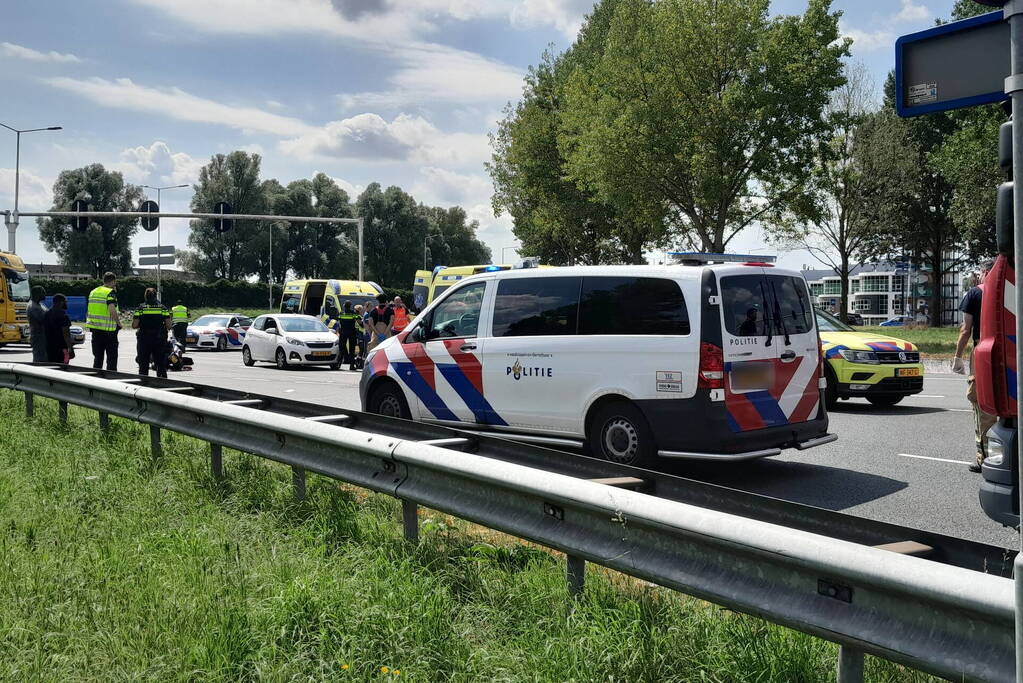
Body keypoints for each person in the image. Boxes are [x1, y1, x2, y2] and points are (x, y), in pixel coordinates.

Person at [952, 260, 998, 473]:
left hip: (983, 352)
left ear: (986, 272)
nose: (979, 276)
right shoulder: (1011, 291)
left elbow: (965, 329)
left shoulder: (975, 293)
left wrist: (958, 357)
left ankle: (985, 457)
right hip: (1010, 351)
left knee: (981, 403)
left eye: (980, 272)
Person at [132, 287, 172, 378]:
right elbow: (169, 325)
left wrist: (142, 324)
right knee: (160, 363)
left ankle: (143, 382)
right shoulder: (163, 308)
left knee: (143, 364)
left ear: (145, 296)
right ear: (155, 296)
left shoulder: (140, 308)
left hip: (144, 339)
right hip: (159, 339)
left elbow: (134, 325)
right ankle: (162, 381)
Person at [86, 272, 120, 371]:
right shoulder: (110, 292)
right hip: (109, 331)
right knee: (111, 359)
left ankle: (96, 377)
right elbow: (112, 309)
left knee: (98, 358)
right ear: (113, 281)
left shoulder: (93, 292)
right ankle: (110, 378)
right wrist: (119, 323)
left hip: (95, 330)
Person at [43, 293, 74, 364]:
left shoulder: (47, 314)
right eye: (65, 302)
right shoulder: (63, 315)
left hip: (49, 347)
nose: (66, 304)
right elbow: (66, 333)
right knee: (63, 366)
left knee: (51, 366)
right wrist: (70, 348)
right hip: (62, 348)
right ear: (61, 302)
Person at [337, 300, 361, 370]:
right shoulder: (353, 313)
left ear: (344, 305)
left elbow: (338, 322)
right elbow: (359, 322)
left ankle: (338, 364)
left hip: (343, 332)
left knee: (342, 348)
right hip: (351, 332)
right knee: (352, 349)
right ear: (350, 306)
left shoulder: (341, 313)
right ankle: (352, 365)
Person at [27, 285, 48, 362]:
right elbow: (43, 319)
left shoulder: (40, 304)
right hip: (38, 336)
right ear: (37, 294)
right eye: (43, 293)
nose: (45, 294)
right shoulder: (33, 307)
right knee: (40, 359)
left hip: (42, 336)